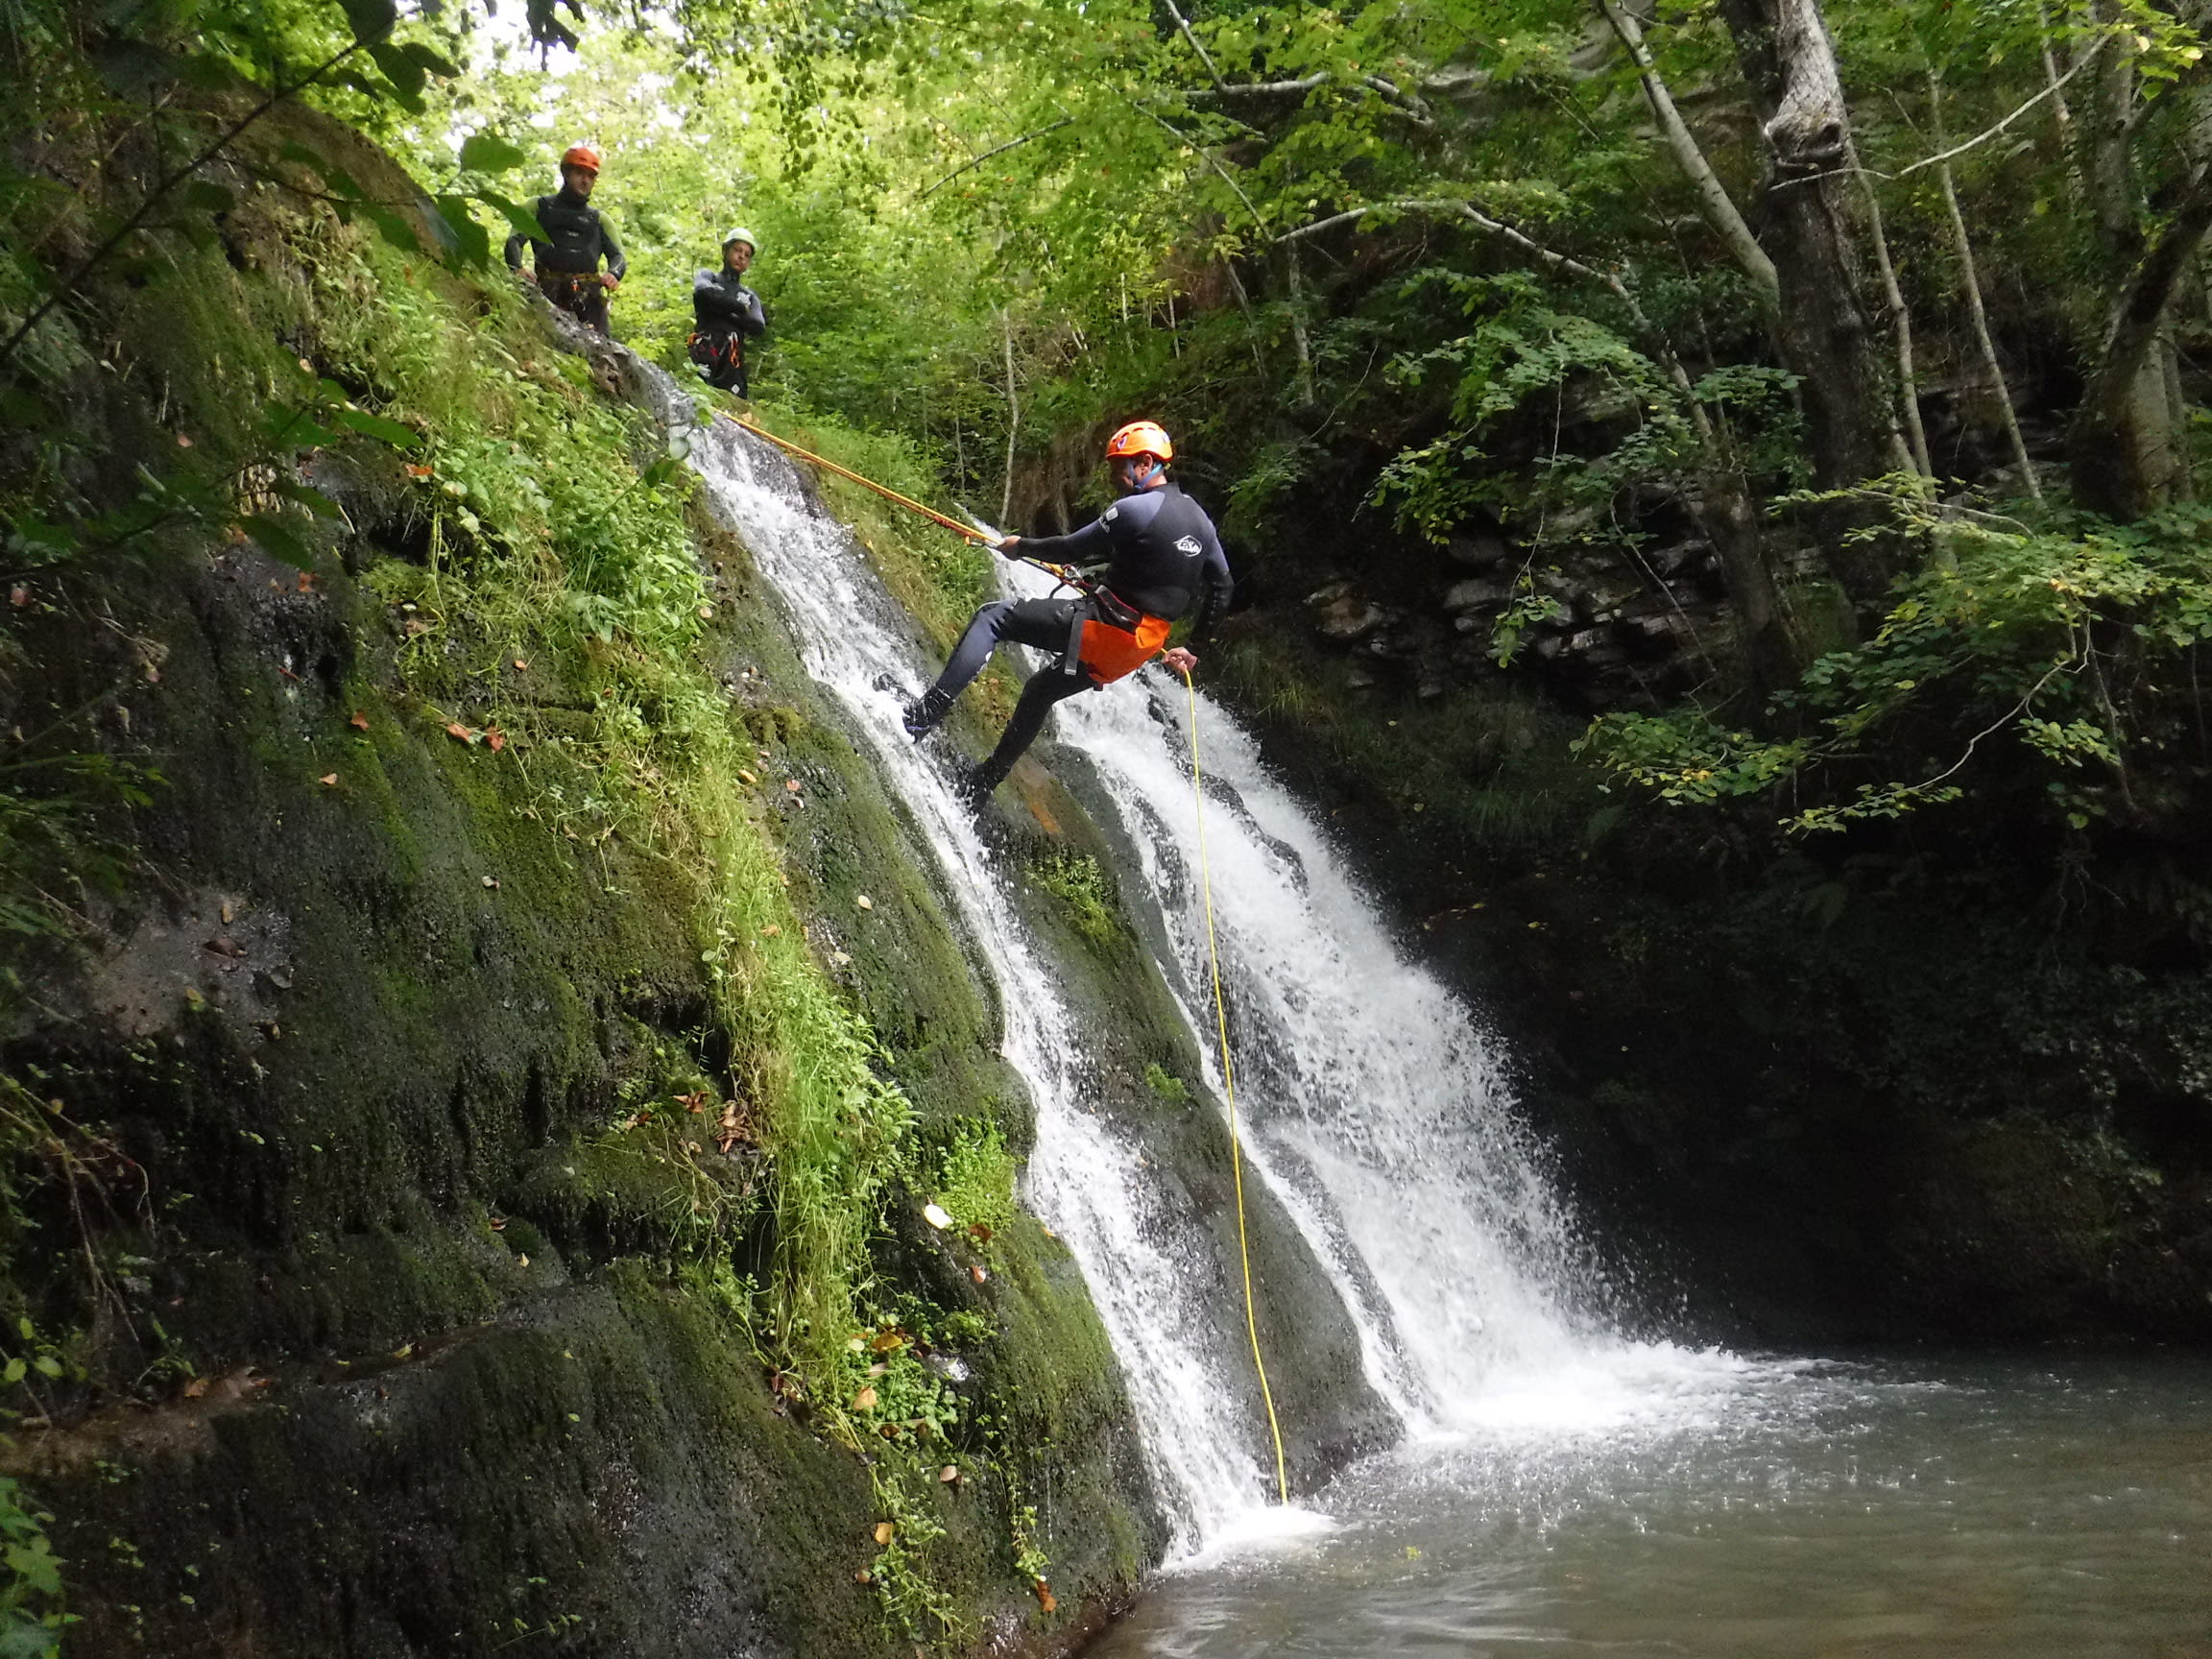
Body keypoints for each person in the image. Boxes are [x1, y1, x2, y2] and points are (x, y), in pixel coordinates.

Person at [903, 421, 1231, 800]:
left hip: (1104, 626)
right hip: (1134, 648)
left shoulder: (1136, 510)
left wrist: (1020, 545)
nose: (1113, 477)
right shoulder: (1202, 523)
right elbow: (1223, 586)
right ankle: (982, 784)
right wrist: (1195, 648)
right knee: (1041, 690)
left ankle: (922, 717)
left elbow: (1069, 549)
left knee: (993, 617)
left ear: (1145, 462)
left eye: (1117, 467)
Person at [503, 145, 625, 334]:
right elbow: (514, 241)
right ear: (566, 173)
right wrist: (517, 267)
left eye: (590, 177)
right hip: (547, 294)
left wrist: (614, 274)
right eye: (579, 173)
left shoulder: (600, 220)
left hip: (589, 302)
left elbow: (618, 257)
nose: (585, 181)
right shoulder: (539, 207)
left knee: (600, 356)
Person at [690, 228, 769, 396]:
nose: (741, 257)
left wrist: (721, 306)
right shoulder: (709, 277)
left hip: (732, 361)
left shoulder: (749, 295)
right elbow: (703, 292)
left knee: (733, 403)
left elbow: (758, 325)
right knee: (702, 394)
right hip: (706, 350)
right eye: (738, 250)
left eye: (747, 255)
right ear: (726, 251)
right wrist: (739, 308)